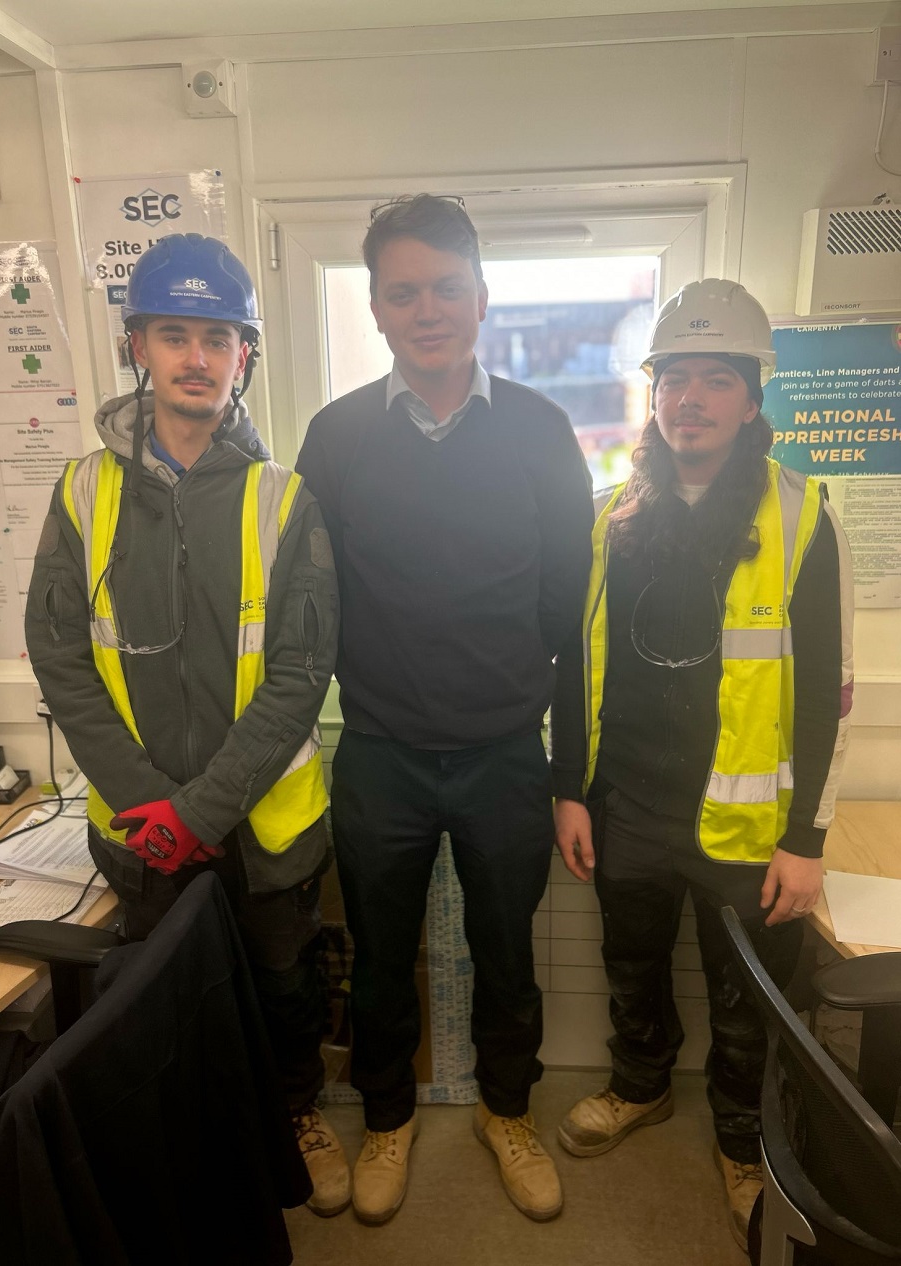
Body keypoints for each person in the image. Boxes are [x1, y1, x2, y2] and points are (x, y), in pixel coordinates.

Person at [24, 233, 351, 1218]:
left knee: (282, 991)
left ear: (243, 355)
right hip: (140, 831)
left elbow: (300, 672)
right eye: (176, 335)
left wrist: (202, 806)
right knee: (164, 1004)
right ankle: (198, 1143)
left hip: (267, 829)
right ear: (139, 348)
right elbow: (59, 656)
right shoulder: (81, 492)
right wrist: (142, 800)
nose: (197, 357)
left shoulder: (284, 498)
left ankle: (295, 1115)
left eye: (219, 338)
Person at [296, 194, 594, 1224]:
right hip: (378, 753)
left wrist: (563, 776)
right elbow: (310, 601)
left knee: (504, 951)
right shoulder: (334, 440)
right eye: (403, 292)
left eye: (447, 289)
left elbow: (568, 607)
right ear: (375, 309)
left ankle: (504, 1112)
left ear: (481, 299)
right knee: (381, 959)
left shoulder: (542, 431)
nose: (427, 310)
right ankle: (386, 1120)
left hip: (506, 753)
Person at [550, 278, 854, 1249]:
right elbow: (573, 661)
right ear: (653, 395)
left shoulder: (802, 518)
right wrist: (568, 790)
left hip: (743, 823)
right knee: (629, 966)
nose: (689, 399)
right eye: (673, 378)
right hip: (625, 803)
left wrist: (806, 839)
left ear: (750, 398)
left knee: (743, 999)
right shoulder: (610, 517)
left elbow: (826, 695)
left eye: (713, 379)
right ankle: (637, 1085)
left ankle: (738, 1139)